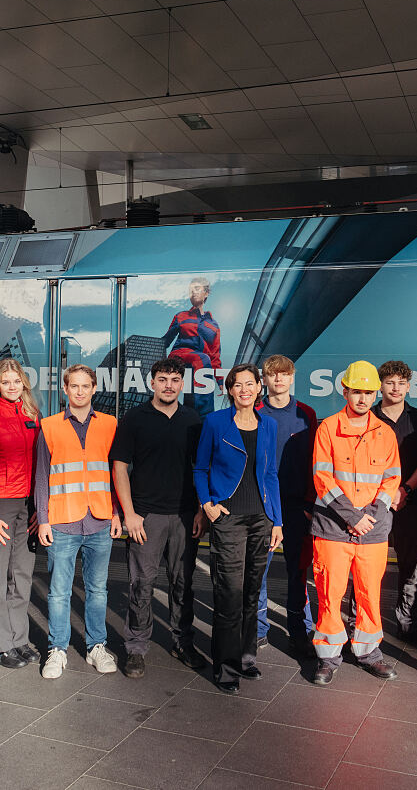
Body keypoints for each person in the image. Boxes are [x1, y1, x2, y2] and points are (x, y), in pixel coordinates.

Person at [112, 357, 207, 679]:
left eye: (175, 380)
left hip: (183, 516)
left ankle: (183, 643)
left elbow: (200, 470)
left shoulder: (193, 420)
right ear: (152, 382)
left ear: (182, 384)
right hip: (146, 517)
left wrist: (198, 510)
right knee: (142, 585)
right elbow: (119, 467)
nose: (169, 385)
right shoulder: (134, 419)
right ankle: (136, 648)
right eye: (163, 379)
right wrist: (130, 514)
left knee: (183, 585)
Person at [309, 361, 401, 686]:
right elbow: (323, 478)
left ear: (375, 394)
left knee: (368, 593)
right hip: (334, 528)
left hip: (372, 531)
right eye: (357, 391)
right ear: (344, 390)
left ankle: (368, 653)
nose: (362, 398)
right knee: (330, 594)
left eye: (368, 392)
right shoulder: (327, 428)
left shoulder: (385, 433)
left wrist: (370, 516)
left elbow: (392, 480)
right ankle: (328, 658)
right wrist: (352, 516)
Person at [193, 364, 282, 695]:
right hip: (227, 519)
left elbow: (271, 474)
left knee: (251, 591)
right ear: (229, 390)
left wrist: (278, 520)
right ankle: (225, 666)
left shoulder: (269, 425)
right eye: (237, 384)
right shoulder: (215, 422)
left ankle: (246, 657)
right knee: (228, 594)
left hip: (261, 519)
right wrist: (208, 505)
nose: (244, 389)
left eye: (250, 383)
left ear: (260, 387)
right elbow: (200, 467)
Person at [34, 364, 122, 679]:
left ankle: (96, 647)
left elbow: (117, 474)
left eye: (86, 386)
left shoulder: (111, 425)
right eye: (75, 386)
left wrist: (116, 513)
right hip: (61, 521)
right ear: (66, 390)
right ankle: (57, 650)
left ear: (94, 389)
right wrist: (43, 520)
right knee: (58, 592)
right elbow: (42, 476)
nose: (81, 391)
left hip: (99, 520)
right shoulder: (49, 426)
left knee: (98, 589)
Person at [0, 359, 41, 670]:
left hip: (26, 506)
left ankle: (19, 639)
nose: (12, 387)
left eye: (16, 381)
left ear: (24, 384)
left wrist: (40, 508)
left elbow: (41, 466)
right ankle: (0, 644)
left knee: (23, 575)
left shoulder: (34, 417)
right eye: (5, 381)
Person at [255, 354, 318, 656]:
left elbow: (314, 462)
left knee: (298, 572)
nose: (278, 379)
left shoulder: (306, 413)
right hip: (263, 506)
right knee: (259, 571)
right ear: (264, 379)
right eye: (272, 374)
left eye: (284, 374)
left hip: (296, 507)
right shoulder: (253, 410)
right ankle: (257, 629)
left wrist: (310, 502)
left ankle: (299, 631)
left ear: (292, 377)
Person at [371, 360, 417, 645]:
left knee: (412, 568)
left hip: (413, 501)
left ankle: (408, 626)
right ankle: (363, 624)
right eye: (389, 382)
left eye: (401, 383)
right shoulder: (368, 416)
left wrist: (405, 489)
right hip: (373, 504)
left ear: (408, 386)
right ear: (380, 386)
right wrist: (385, 493)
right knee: (369, 568)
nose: (395, 388)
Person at [163, 276, 221, 416]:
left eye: (197, 288)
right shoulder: (181, 316)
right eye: (190, 290)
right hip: (179, 356)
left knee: (203, 360)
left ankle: (196, 414)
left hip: (198, 366)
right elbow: (166, 340)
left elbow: (215, 355)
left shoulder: (213, 325)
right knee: (202, 359)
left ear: (206, 293)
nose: (193, 292)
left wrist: (221, 381)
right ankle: (202, 414)